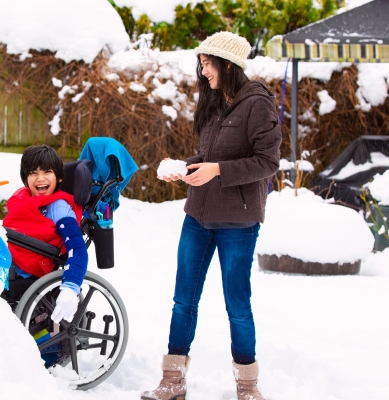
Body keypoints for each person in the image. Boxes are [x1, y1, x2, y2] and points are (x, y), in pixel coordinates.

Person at [141, 31, 281, 400]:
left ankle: (247, 385)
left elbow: (267, 163)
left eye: (207, 64)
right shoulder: (214, 103)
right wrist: (183, 168)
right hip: (198, 218)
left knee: (237, 304)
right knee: (183, 300)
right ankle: (173, 379)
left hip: (238, 222)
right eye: (201, 64)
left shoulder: (258, 104)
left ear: (227, 64)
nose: (203, 72)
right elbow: (208, 158)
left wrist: (217, 170)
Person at [1, 145, 88, 325]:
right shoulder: (24, 201)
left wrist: (71, 287)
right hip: (10, 258)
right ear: (26, 179)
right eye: (33, 173)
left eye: (47, 172)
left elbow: (77, 249)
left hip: (26, 270)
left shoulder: (59, 208)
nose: (40, 178)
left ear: (59, 177)